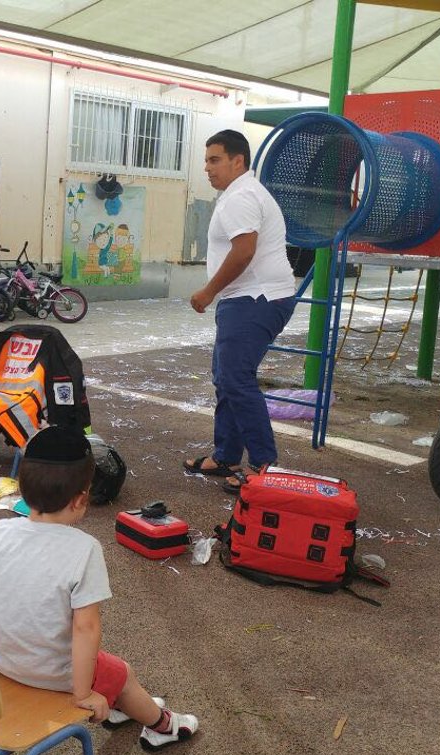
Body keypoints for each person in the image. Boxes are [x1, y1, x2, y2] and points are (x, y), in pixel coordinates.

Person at [0, 426, 199, 751]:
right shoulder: (85, 549)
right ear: (82, 499)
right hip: (56, 676)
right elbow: (86, 629)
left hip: (1, 663)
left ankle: (118, 705)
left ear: (22, 487)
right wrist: (83, 694)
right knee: (121, 673)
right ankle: (162, 725)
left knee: (108, 672)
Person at [184, 129, 297, 494]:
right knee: (226, 377)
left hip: (255, 298)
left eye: (215, 160)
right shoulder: (240, 193)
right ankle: (226, 456)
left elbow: (244, 250)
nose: (208, 168)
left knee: (235, 378)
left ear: (238, 161)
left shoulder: (241, 196)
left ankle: (264, 467)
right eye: (206, 161)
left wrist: (208, 292)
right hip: (251, 298)